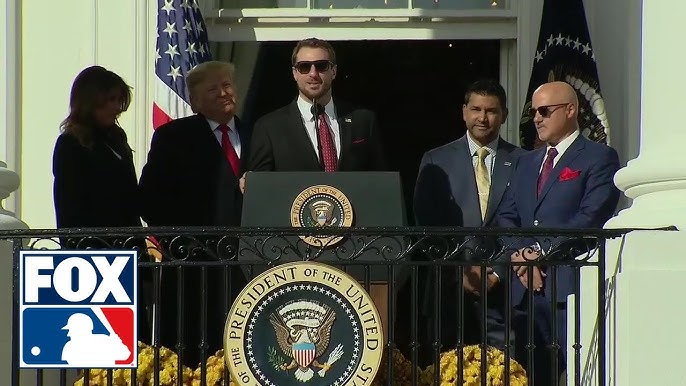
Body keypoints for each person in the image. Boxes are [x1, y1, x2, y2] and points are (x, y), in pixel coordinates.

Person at [495, 81, 621, 384]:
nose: (536, 118)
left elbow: (590, 218)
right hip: (525, 292)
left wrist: (540, 253)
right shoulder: (526, 162)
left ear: (571, 110)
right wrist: (521, 256)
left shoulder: (599, 157)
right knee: (531, 374)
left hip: (569, 286)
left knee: (578, 372)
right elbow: (506, 216)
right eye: (533, 111)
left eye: (544, 111)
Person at [138, 60, 248, 366]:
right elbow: (149, 198)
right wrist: (179, 244)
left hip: (247, 266)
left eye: (227, 85)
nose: (224, 93)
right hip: (193, 269)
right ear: (196, 101)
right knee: (192, 357)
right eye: (213, 89)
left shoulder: (257, 131)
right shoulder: (174, 136)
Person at [413, 79, 526, 356]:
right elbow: (426, 226)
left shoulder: (525, 161)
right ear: (464, 111)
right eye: (476, 109)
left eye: (491, 111)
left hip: (504, 296)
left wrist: (497, 272)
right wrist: (460, 271)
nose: (483, 118)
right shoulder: (436, 160)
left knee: (505, 374)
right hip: (448, 293)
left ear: (504, 115)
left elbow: (525, 223)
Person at [52, 65, 152, 343]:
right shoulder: (71, 144)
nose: (116, 108)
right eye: (109, 101)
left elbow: (131, 197)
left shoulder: (116, 139)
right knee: (103, 341)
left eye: (118, 100)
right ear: (89, 101)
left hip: (127, 252)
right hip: (94, 255)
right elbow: (68, 206)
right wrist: (78, 256)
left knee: (134, 338)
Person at [245, 37, 386, 179]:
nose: (313, 74)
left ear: (334, 71)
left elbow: (380, 182)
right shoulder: (269, 127)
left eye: (321, 66)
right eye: (304, 67)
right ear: (295, 73)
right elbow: (261, 189)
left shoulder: (363, 120)